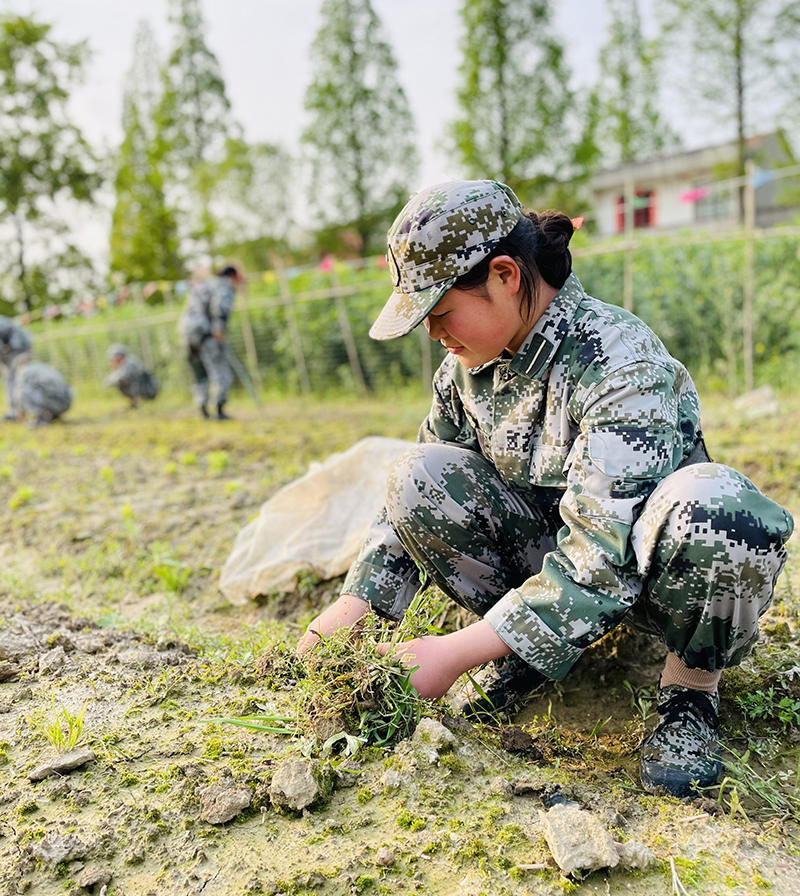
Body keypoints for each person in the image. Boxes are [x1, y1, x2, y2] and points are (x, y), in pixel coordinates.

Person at [297, 179, 794, 798]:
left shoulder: (620, 362)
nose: (434, 335)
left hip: (649, 586)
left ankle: (689, 692)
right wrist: (355, 606)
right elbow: (409, 508)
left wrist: (452, 653)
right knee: (416, 473)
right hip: (548, 572)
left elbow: (602, 556)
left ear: (505, 274)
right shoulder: (467, 370)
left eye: (442, 312)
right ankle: (525, 653)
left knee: (721, 508)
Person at [179, 265, 245, 420]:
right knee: (220, 372)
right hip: (206, 335)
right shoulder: (223, 285)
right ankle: (219, 410)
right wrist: (218, 330)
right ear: (232, 277)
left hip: (186, 334)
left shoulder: (204, 285)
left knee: (199, 375)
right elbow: (220, 307)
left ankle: (203, 411)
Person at [9, 353, 73, 426]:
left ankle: (42, 417)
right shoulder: (43, 366)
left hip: (54, 402)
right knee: (41, 387)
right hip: (66, 402)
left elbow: (18, 394)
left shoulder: (25, 371)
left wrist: (19, 411)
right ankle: (54, 415)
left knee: (23, 391)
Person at [105, 343, 160, 408]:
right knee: (121, 382)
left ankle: (139, 400)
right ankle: (135, 401)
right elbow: (109, 379)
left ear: (120, 356)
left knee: (123, 382)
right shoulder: (124, 363)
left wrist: (114, 379)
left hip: (149, 389)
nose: (113, 361)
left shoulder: (129, 363)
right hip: (145, 387)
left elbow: (123, 377)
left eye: (114, 358)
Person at [0, 316, 33, 420]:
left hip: (18, 347)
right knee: (13, 379)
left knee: (15, 379)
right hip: (19, 346)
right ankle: (18, 411)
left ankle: (18, 412)